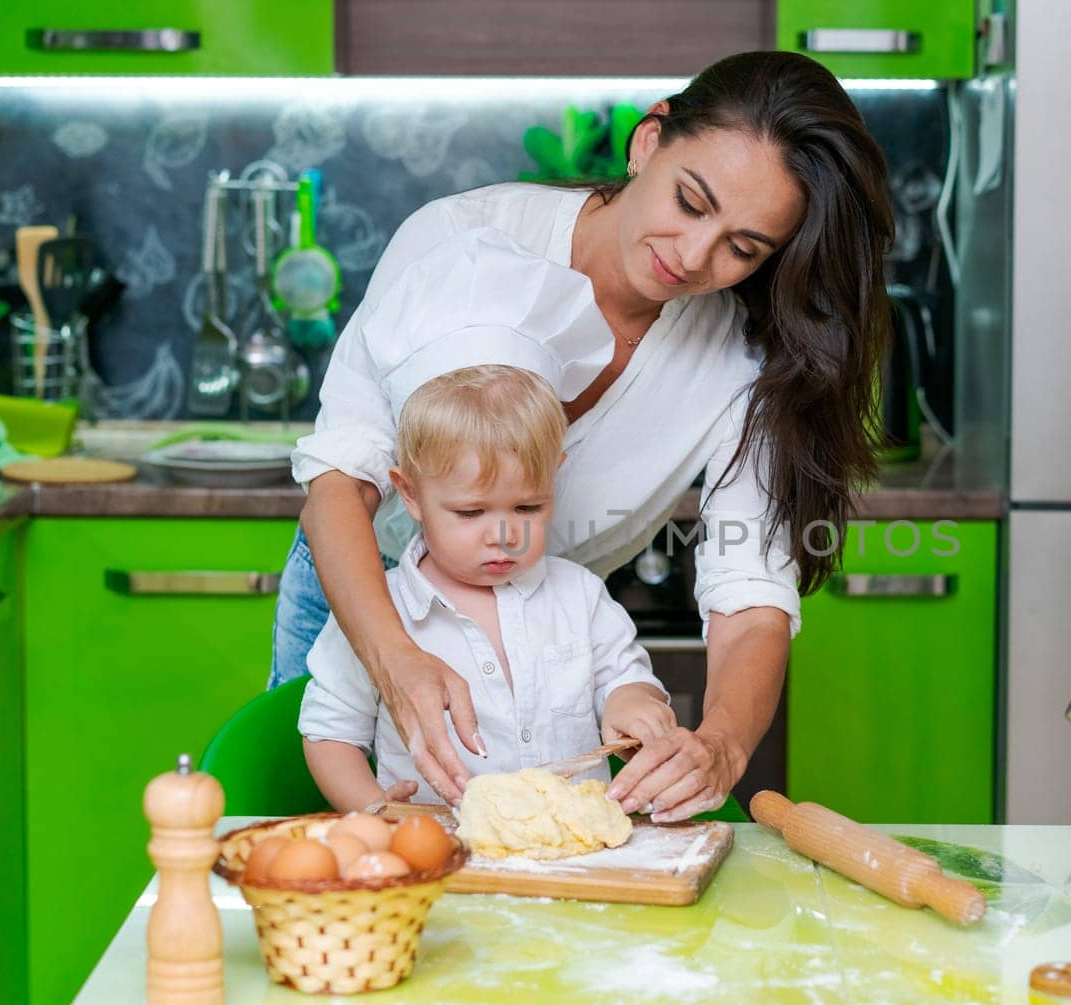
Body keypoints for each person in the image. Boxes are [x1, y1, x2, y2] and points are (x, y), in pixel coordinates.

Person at [277, 50, 894, 821]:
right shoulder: (462, 239)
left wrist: (721, 745)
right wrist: (396, 658)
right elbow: (341, 481)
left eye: (744, 248)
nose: (694, 257)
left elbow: (750, 589)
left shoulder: (751, 349)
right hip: (368, 589)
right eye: (691, 201)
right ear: (649, 142)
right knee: (347, 890)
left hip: (549, 623)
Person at [299, 365, 677, 811]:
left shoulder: (581, 596)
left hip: (572, 859)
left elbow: (626, 678)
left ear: (553, 478)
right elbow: (331, 735)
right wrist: (375, 810)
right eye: (470, 512)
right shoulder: (377, 610)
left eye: (526, 506)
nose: (503, 534)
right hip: (439, 858)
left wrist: (633, 699)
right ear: (411, 494)